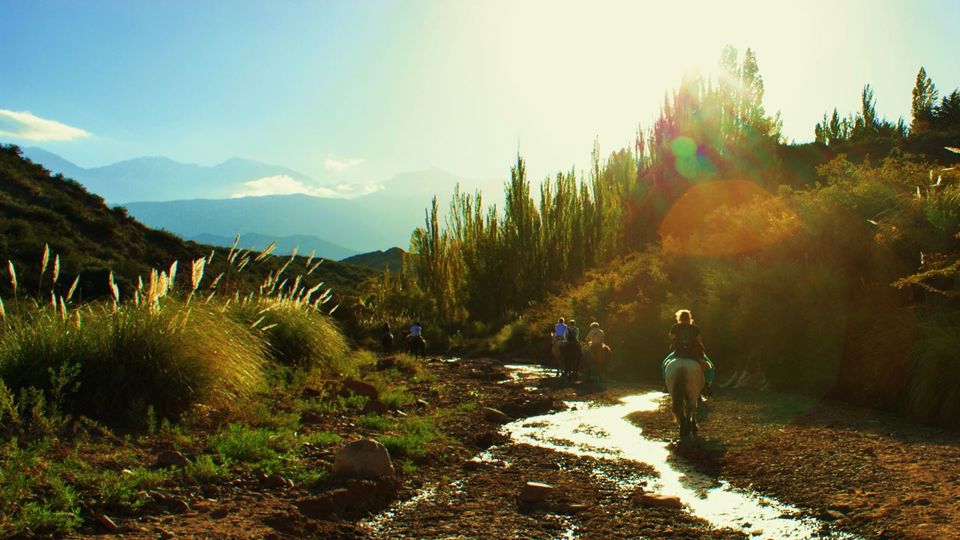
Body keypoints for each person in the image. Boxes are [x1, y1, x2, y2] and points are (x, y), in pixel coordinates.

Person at [663, 309, 715, 394]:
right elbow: (698, 340)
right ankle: (706, 385)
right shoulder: (695, 328)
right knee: (709, 366)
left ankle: (666, 384)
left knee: (665, 364)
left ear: (679, 318)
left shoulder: (675, 327)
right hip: (693, 354)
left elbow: (671, 337)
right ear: (689, 318)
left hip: (678, 353)